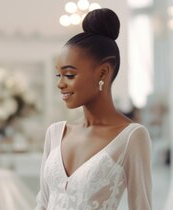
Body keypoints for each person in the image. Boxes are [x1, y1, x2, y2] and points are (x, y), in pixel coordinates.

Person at [34, 8, 152, 210]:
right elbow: (42, 203)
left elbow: (142, 206)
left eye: (69, 75)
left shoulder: (131, 137)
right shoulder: (55, 133)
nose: (60, 84)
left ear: (103, 72)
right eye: (58, 75)